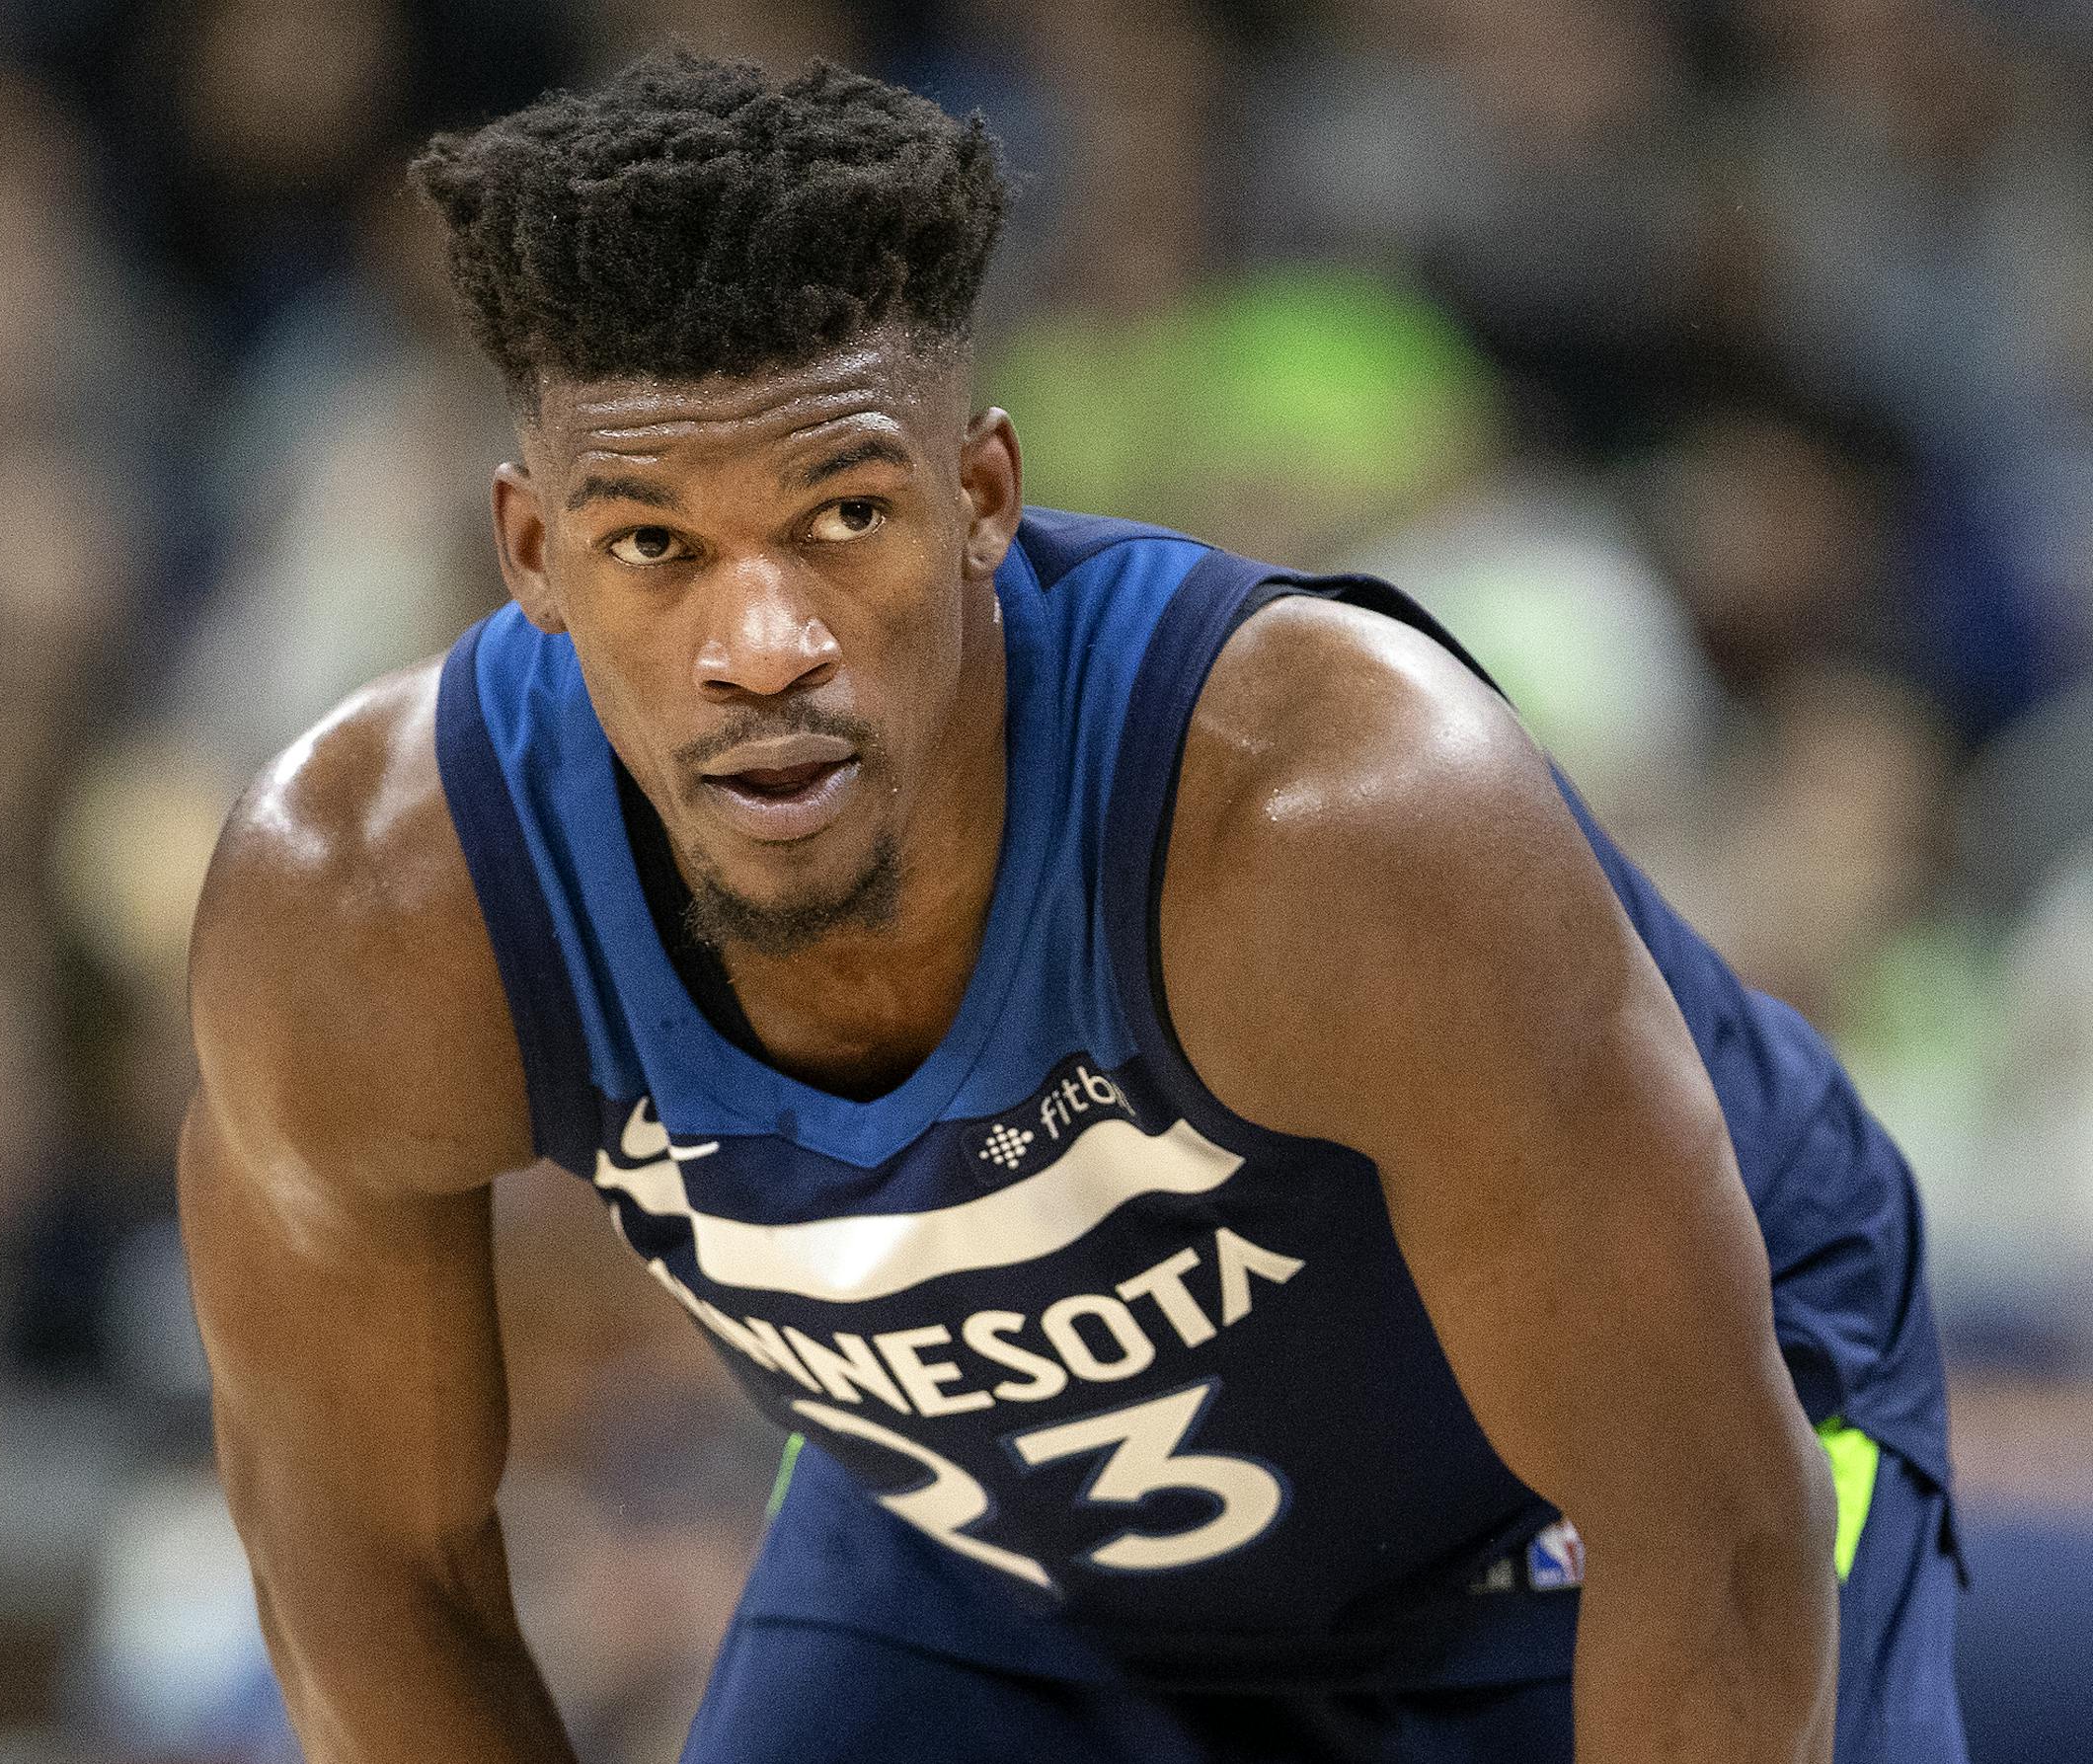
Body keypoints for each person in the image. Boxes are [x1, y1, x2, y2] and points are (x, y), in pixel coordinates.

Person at [177, 50, 1967, 1764]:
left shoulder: (1333, 822)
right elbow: (372, 1585)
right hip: (1008, 1561)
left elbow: (1705, 1537)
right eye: (655, 545)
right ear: (533, 554)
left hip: (1597, 1522)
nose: (764, 646)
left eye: (845, 516)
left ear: (981, 496)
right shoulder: (368, 910)